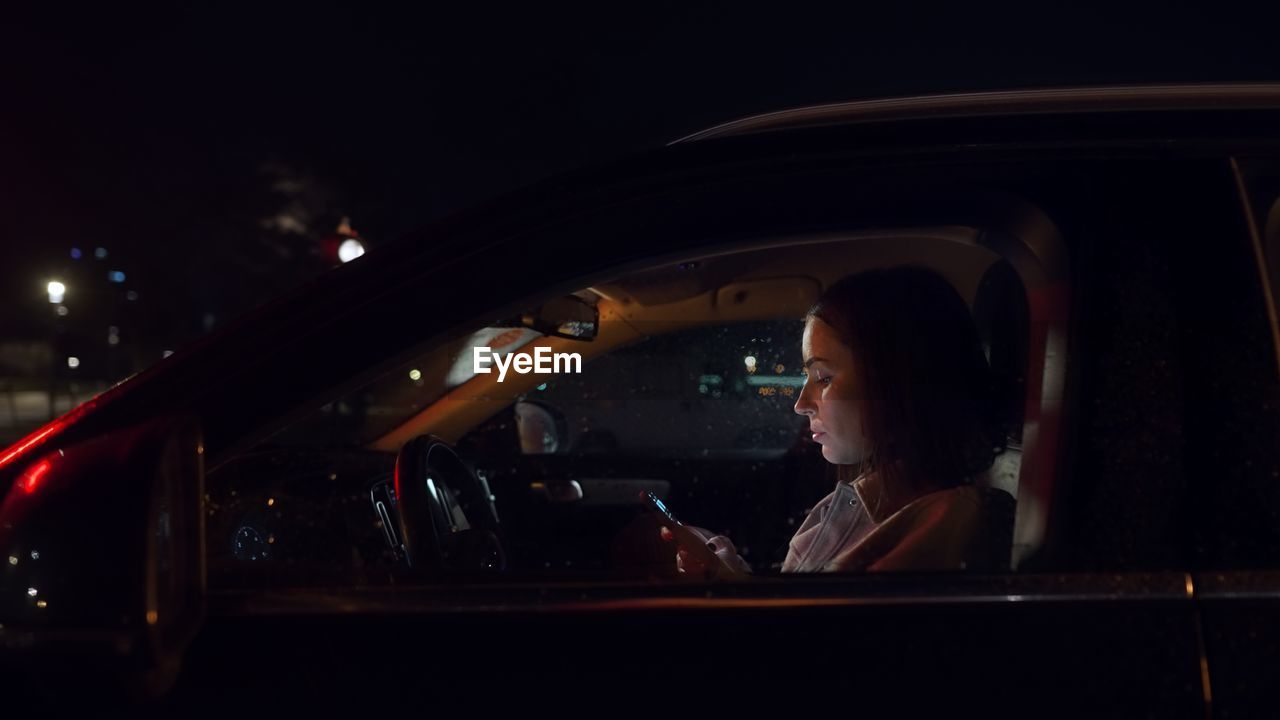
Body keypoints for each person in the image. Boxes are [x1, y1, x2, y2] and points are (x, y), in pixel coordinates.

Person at [661, 265, 1015, 575]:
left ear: (898, 381)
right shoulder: (865, 501)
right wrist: (731, 580)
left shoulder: (945, 522)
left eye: (824, 378)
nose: (801, 404)